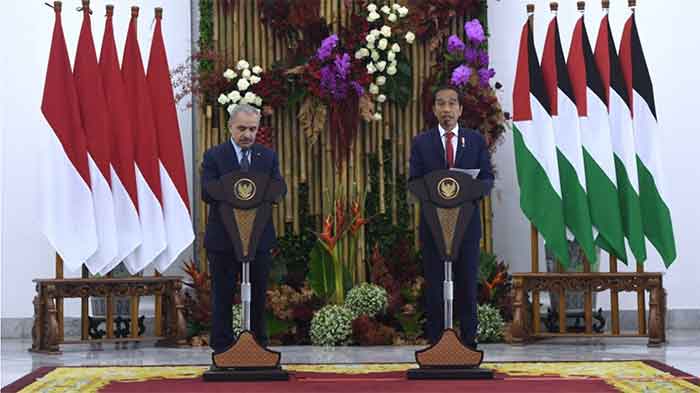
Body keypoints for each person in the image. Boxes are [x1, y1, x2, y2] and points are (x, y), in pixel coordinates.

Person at [409, 85, 494, 348]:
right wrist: (438, 193)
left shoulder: (476, 141)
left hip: (466, 226)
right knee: (435, 285)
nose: (446, 109)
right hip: (434, 227)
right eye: (441, 104)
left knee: (467, 284)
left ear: (460, 109)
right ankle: (436, 343)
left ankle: (469, 343)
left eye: (452, 104)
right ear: (434, 109)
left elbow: (487, 180)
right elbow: (414, 182)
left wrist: (465, 191)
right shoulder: (422, 143)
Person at [201, 103, 286, 353]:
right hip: (223, 240)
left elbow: (278, 189)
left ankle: (259, 346)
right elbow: (208, 191)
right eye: (241, 129)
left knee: (259, 294)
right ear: (230, 127)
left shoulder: (267, 157)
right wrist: (237, 190)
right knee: (222, 295)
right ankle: (222, 349)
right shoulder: (214, 156)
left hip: (258, 238)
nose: (247, 134)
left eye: (252, 129)